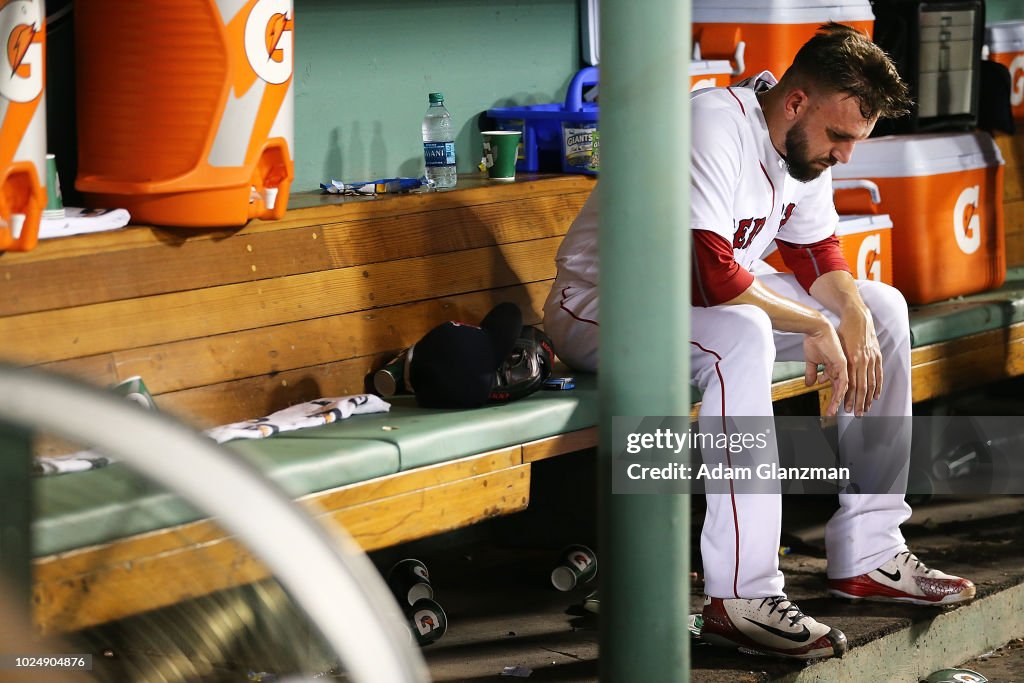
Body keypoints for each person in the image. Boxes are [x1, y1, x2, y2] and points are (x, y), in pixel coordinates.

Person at [543, 23, 976, 660]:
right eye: (839, 137)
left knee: (883, 306)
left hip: (695, 304)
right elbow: (708, 271)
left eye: (855, 141)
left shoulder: (804, 145)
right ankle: (740, 595)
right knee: (742, 335)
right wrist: (816, 325)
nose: (845, 156)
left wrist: (849, 311)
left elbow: (815, 250)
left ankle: (872, 550)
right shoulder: (714, 124)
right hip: (601, 305)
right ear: (796, 102)